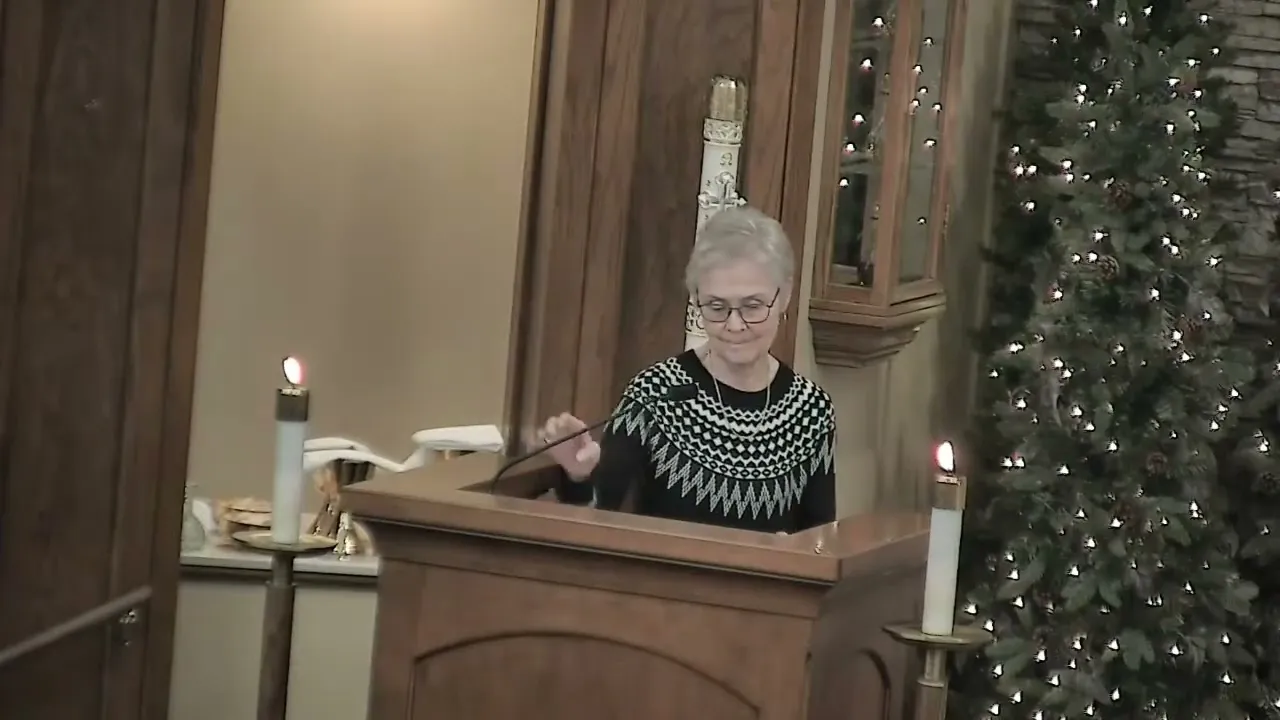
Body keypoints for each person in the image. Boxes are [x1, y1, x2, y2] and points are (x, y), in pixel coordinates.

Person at [541, 206, 836, 534]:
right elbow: (595, 521)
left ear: (785, 296)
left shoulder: (811, 409)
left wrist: (797, 551)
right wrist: (578, 477)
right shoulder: (656, 392)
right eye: (716, 307)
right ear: (696, 299)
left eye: (753, 306)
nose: (734, 325)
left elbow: (821, 538)